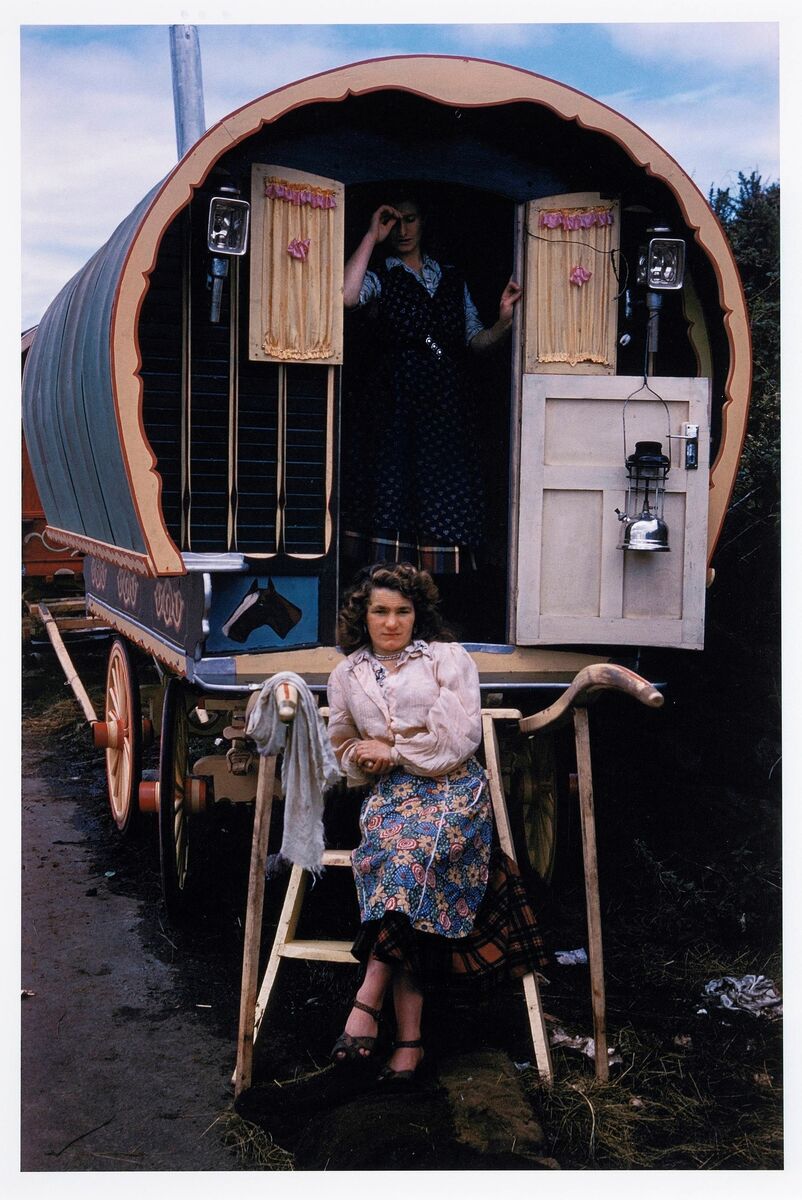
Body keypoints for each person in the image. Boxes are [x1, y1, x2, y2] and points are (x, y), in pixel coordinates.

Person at [326, 561, 548, 1083]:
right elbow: (339, 745)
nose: (391, 621)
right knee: (397, 858)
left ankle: (368, 998)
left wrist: (394, 751)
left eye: (403, 611)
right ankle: (410, 1045)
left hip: (454, 791)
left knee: (410, 859)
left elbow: (456, 740)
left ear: (417, 614)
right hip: (391, 798)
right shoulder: (347, 673)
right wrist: (362, 752)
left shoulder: (447, 659)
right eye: (380, 611)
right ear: (364, 616)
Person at [340, 194, 522, 582]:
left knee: (442, 500)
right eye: (394, 221)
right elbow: (346, 296)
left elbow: (475, 340)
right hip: (394, 408)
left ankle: (437, 606)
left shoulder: (452, 278)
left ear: (424, 222)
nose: (402, 230)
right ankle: (392, 600)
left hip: (444, 411)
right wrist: (372, 234)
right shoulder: (382, 276)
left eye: (410, 219)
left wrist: (504, 320)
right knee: (393, 495)